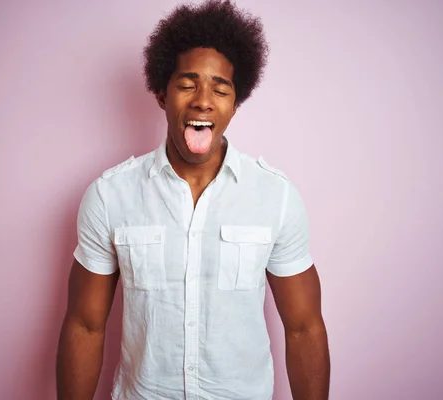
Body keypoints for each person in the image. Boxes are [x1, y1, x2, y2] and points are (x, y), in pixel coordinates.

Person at [56, 1, 330, 399]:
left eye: (220, 89)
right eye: (187, 84)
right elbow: (84, 325)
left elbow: (305, 326)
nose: (203, 100)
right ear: (160, 94)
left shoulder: (276, 197)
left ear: (236, 104)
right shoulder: (109, 196)